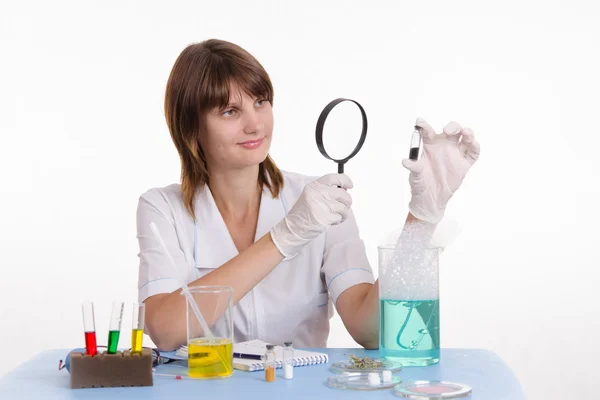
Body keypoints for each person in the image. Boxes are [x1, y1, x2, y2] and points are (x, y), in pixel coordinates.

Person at [136, 39, 480, 351]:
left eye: (261, 102)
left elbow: (370, 330)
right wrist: (284, 239)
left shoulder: (320, 202)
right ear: (191, 128)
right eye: (230, 111)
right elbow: (165, 331)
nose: (255, 124)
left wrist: (422, 217)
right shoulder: (162, 209)